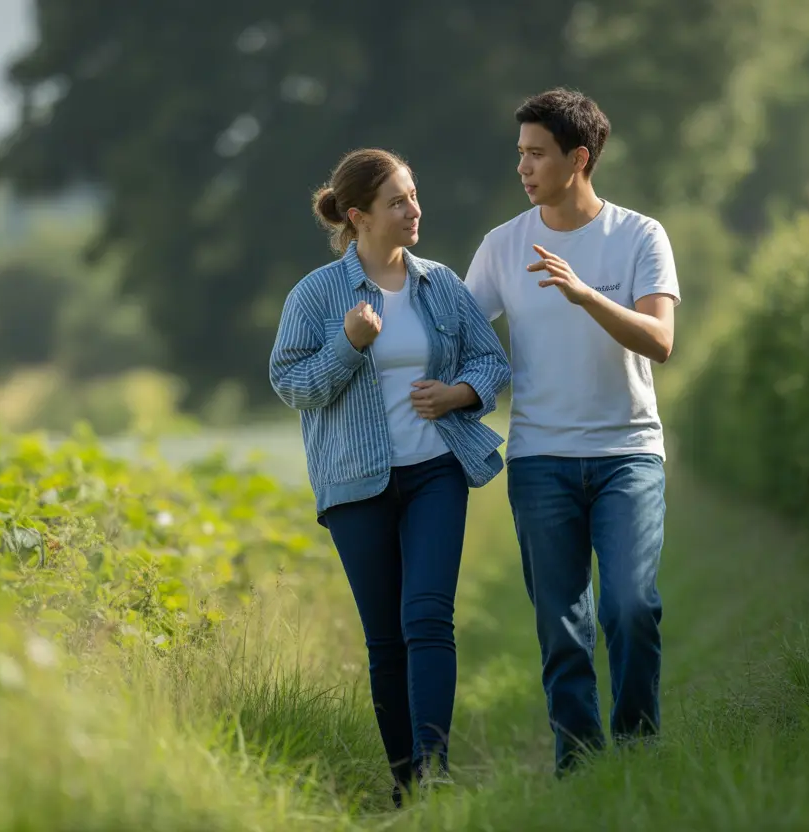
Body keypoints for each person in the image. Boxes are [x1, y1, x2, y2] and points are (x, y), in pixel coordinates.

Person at [269, 148, 511, 806]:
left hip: (437, 470)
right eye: (399, 201)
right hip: (356, 485)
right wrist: (348, 342)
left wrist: (460, 394)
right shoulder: (317, 295)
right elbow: (293, 385)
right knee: (385, 639)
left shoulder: (441, 285)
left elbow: (492, 363)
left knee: (429, 618)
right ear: (359, 216)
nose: (414, 210)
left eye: (414, 196)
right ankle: (404, 783)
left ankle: (434, 775)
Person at [462, 88, 681, 775]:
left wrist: (587, 294)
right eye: (519, 154)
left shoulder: (640, 235)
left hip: (627, 456)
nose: (522, 168)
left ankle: (637, 749)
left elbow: (661, 340)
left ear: (578, 159)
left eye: (536, 154)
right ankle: (581, 767)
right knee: (562, 627)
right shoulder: (502, 246)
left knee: (630, 606)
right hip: (539, 459)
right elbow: (460, 335)